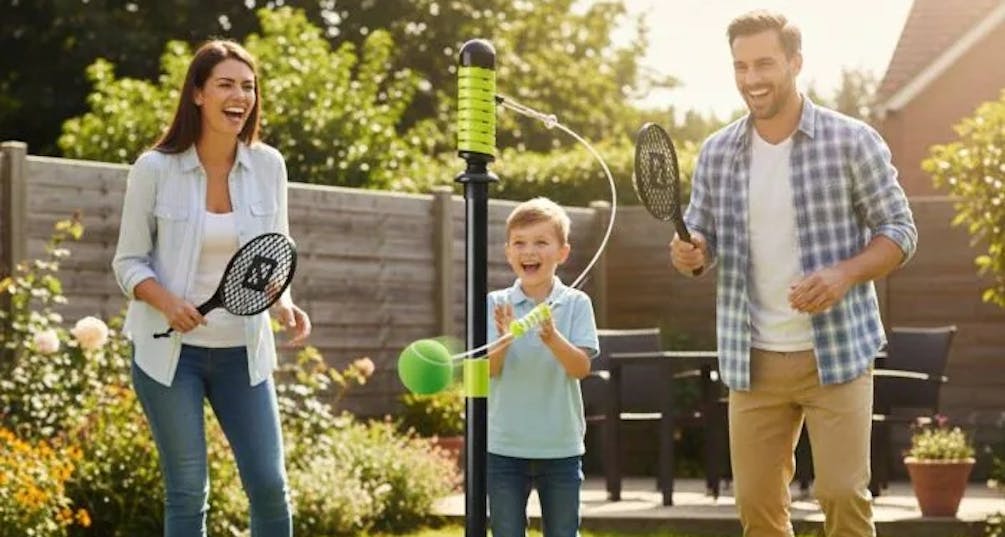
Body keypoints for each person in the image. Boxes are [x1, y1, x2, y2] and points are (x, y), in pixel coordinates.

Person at [669, 10, 917, 537]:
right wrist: (690, 254)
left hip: (838, 353)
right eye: (740, 66)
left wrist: (844, 274)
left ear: (795, 62)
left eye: (764, 63)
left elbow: (900, 231)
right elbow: (700, 240)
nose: (752, 79)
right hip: (751, 357)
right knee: (757, 507)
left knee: (842, 495)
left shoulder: (853, 141)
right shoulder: (716, 153)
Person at [112, 40, 311, 537]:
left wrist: (283, 302)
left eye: (247, 86)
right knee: (187, 489)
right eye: (225, 84)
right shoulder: (155, 169)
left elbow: (274, 254)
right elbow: (127, 261)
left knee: (268, 485)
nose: (238, 95)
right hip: (169, 356)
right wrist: (168, 302)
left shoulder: (269, 166)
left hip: (242, 354)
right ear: (198, 94)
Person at [485, 197, 599, 537]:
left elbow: (580, 368)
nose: (528, 251)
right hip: (504, 447)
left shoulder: (576, 303)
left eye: (540, 242)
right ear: (508, 252)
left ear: (562, 253)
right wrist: (504, 340)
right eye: (519, 243)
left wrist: (552, 338)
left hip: (559, 446)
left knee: (563, 532)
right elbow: (488, 370)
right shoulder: (496, 304)